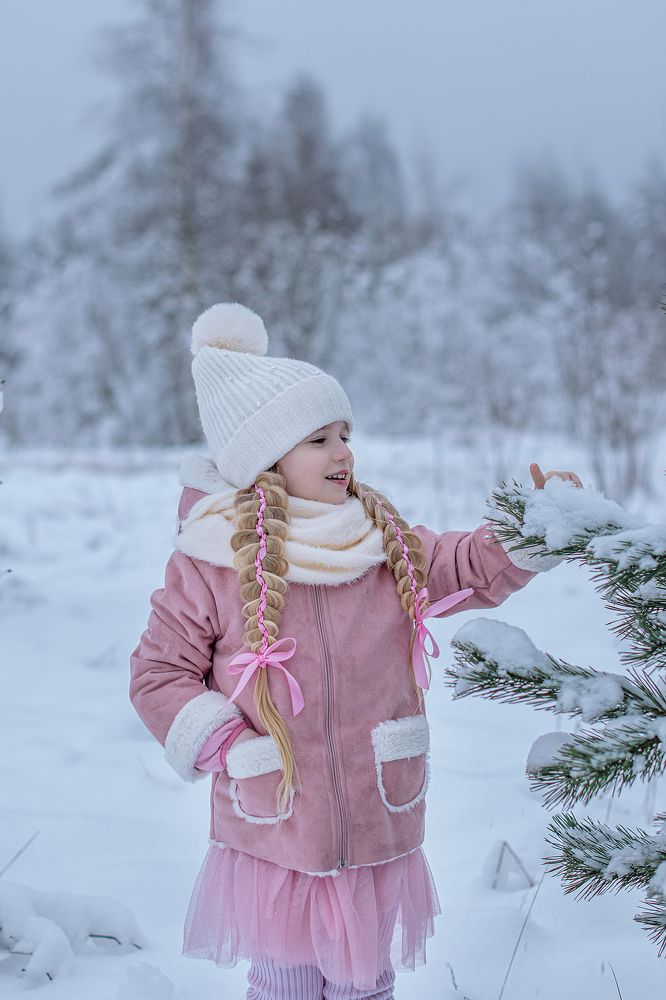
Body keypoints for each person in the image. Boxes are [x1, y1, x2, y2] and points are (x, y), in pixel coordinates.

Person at [129, 302, 583, 1000]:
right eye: (319, 439)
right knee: (284, 983)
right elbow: (160, 673)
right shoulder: (213, 561)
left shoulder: (380, 543)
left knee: (364, 983)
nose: (343, 452)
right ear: (267, 457)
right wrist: (225, 744)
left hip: (373, 816)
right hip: (274, 827)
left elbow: (462, 566)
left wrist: (531, 529)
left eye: (345, 434)